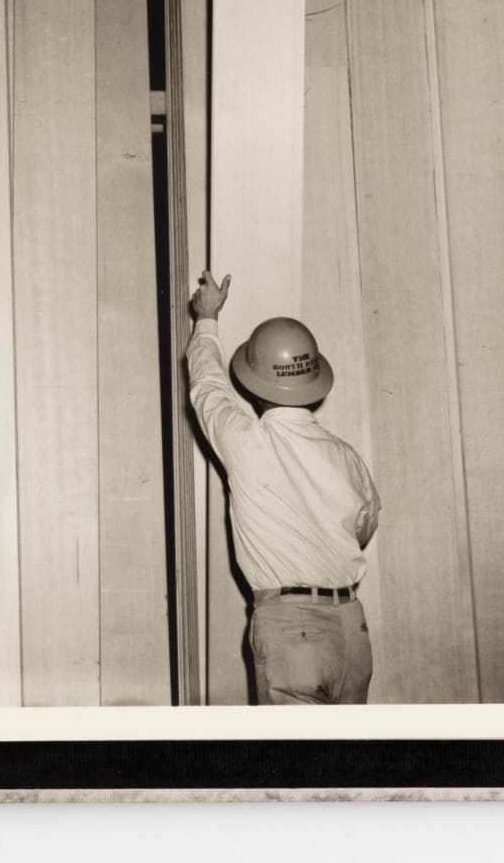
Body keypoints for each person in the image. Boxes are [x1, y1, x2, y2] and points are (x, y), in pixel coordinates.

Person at [187, 270, 380, 705]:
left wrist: (208, 319)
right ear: (313, 382)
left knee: (294, 767)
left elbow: (207, 386)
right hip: (352, 627)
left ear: (254, 385)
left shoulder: (247, 442)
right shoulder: (345, 454)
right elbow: (366, 524)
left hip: (290, 628)